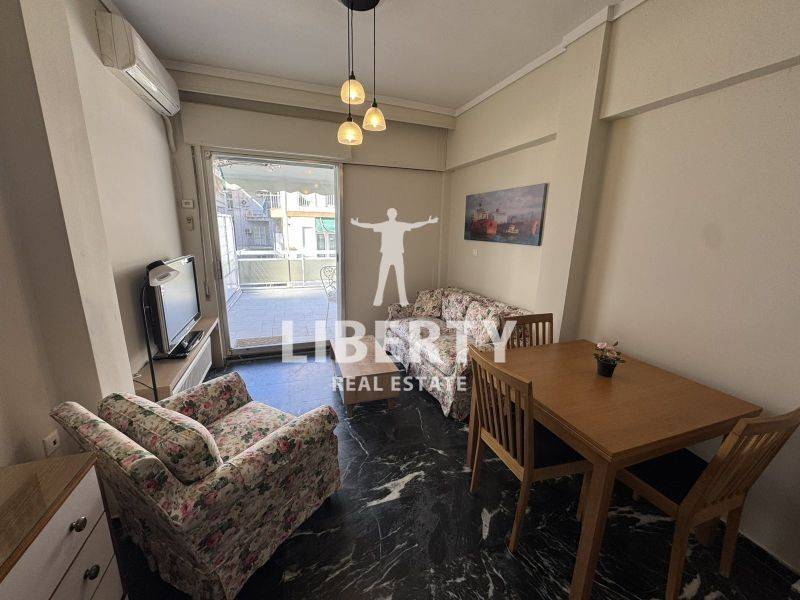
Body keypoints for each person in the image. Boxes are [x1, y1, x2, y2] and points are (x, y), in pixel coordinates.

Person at [351, 208, 438, 306]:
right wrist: (428, 222)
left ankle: (401, 301)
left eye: (393, 212)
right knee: (384, 278)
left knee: (396, 278)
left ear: (394, 214)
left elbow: (414, 225)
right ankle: (381, 300)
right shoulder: (390, 225)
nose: (392, 214)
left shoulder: (395, 225)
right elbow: (370, 226)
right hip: (388, 254)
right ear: (390, 214)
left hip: (396, 254)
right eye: (391, 213)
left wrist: (428, 222)